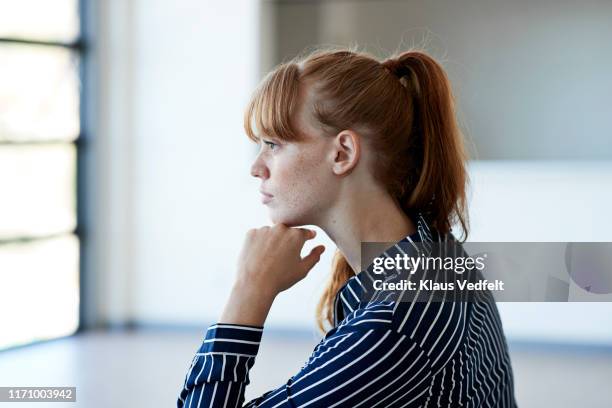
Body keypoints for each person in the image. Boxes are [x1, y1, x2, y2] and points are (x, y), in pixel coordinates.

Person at [177, 48, 517, 407]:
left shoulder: (394, 326)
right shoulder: (433, 250)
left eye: (274, 144)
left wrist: (249, 291)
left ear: (342, 154)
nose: (257, 167)